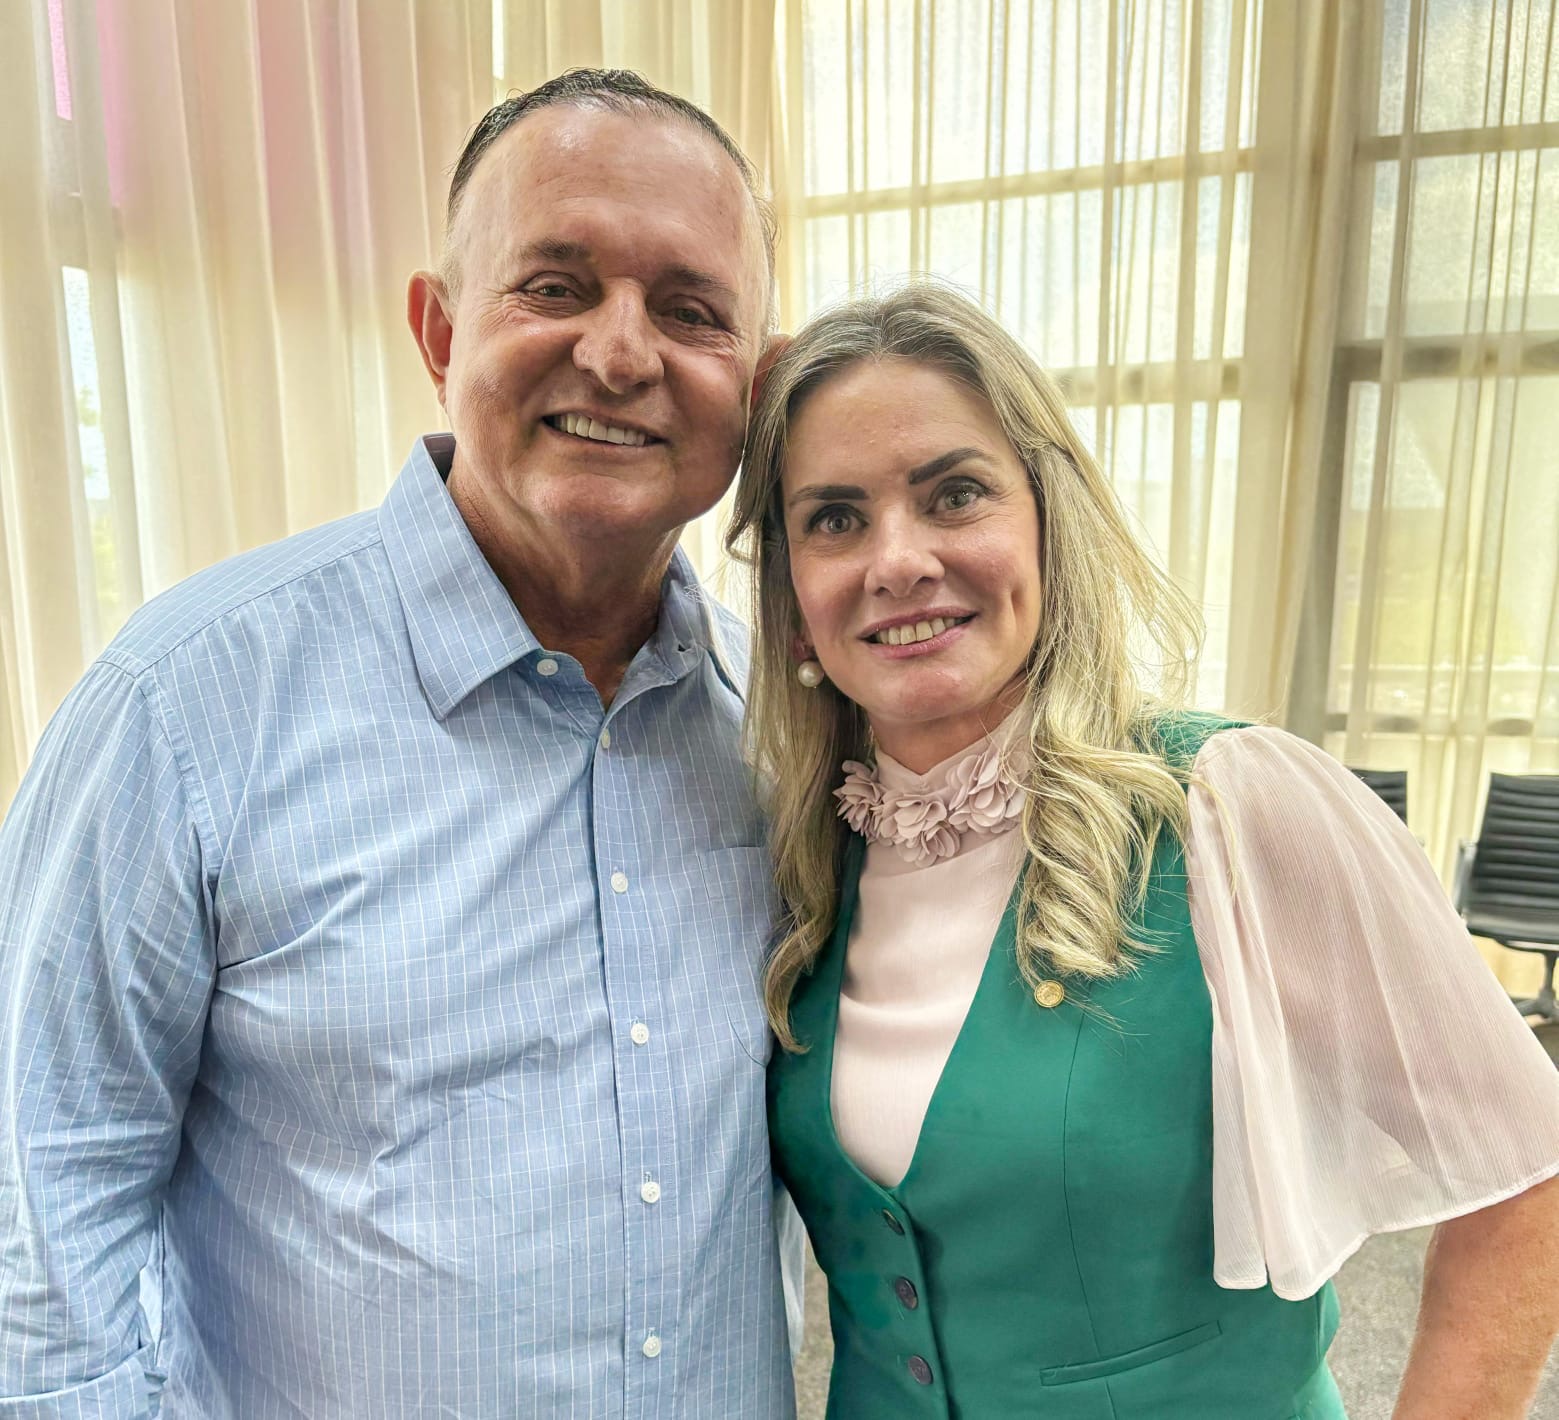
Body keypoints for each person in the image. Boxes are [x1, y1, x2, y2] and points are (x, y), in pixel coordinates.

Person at [0, 70, 795, 1419]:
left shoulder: (777, 724)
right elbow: (38, 1221)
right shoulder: (182, 707)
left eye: (689, 310)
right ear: (437, 329)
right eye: (553, 285)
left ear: (752, 386)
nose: (620, 354)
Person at [727, 282, 1559, 1418]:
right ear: (789, 597)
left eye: (954, 494)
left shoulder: (1227, 804)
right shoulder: (802, 855)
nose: (898, 560)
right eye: (834, 517)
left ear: (1046, 521)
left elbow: (1526, 1171)